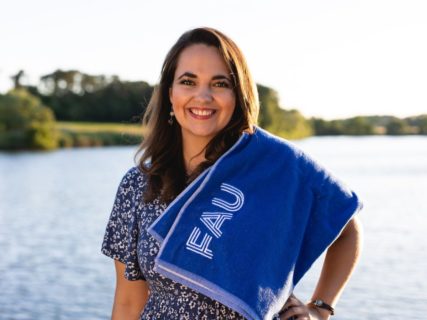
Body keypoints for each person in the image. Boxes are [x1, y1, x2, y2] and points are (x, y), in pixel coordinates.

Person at [101, 27, 363, 320]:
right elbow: (127, 302)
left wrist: (319, 309)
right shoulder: (138, 184)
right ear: (170, 94)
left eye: (219, 83)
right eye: (188, 81)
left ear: (238, 95)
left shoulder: (273, 165)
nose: (203, 96)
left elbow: (346, 224)